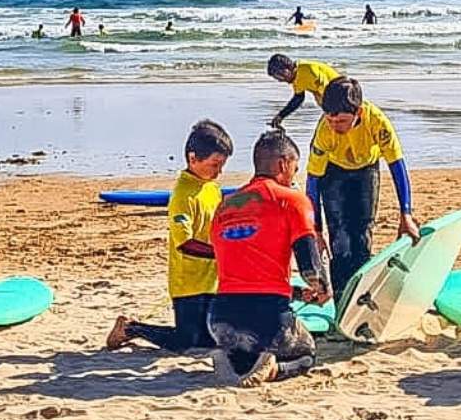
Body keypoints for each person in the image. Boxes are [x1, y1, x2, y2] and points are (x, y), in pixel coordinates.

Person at [207, 130, 329, 386]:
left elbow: (245, 270)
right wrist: (322, 288)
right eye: (294, 170)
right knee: (307, 353)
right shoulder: (292, 200)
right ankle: (276, 369)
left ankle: (230, 359)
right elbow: (311, 268)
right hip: (268, 318)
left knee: (246, 349)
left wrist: (294, 293)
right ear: (283, 164)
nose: (293, 178)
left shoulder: (224, 206)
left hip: (220, 317)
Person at [105, 120, 233, 352]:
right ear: (193, 158)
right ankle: (130, 328)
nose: (219, 171)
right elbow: (185, 243)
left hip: (213, 279)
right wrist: (221, 254)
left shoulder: (212, 188)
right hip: (188, 282)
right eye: (215, 165)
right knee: (186, 341)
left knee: (209, 340)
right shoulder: (182, 196)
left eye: (222, 165)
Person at [306, 76, 421, 295]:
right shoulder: (324, 131)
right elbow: (313, 182)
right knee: (340, 238)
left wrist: (406, 213)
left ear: (358, 113)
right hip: (333, 172)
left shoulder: (376, 122)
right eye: (330, 120)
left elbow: (397, 166)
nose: (334, 126)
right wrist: (316, 230)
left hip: (366, 170)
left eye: (340, 121)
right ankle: (341, 294)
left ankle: (361, 293)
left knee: (362, 234)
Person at [266, 54, 339, 130]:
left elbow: (329, 91)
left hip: (341, 98)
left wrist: (333, 114)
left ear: (287, 68)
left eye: (280, 76)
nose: (280, 80)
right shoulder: (296, 76)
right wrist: (280, 116)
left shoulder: (307, 70)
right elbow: (298, 98)